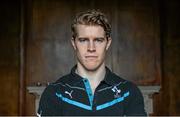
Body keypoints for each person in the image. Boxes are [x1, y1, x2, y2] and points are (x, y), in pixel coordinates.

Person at [37, 10, 147, 116]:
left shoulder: (128, 92)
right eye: (83, 40)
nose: (91, 48)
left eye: (98, 40)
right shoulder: (54, 93)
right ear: (74, 43)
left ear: (107, 43)